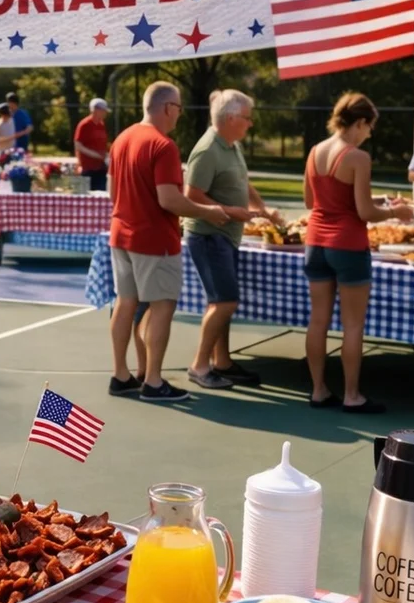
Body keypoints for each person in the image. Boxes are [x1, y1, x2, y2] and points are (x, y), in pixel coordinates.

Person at [107, 81, 229, 402]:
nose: (179, 114)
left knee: (125, 303)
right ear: (166, 108)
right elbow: (170, 200)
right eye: (178, 108)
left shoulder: (122, 139)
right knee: (162, 307)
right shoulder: (164, 146)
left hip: (121, 235)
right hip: (153, 240)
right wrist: (209, 211)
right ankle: (153, 381)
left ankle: (121, 375)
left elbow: (113, 192)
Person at [303, 93, 412, 414]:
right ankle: (352, 395)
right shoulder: (357, 157)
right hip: (348, 245)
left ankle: (319, 390)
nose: (370, 133)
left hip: (315, 244)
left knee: (318, 320)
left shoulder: (314, 152)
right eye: (369, 127)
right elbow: (364, 212)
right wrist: (397, 213)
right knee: (353, 325)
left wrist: (377, 202)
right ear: (360, 123)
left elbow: (313, 202)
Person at [183, 89, 278, 390]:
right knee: (224, 301)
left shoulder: (230, 144)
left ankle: (221, 362)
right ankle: (200, 365)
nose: (251, 124)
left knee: (221, 301)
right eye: (247, 118)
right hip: (209, 235)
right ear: (231, 118)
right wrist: (232, 211)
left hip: (225, 235)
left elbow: (243, 182)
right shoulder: (208, 149)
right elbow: (192, 195)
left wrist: (261, 209)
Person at [74, 98, 110, 190]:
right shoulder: (84, 125)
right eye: (103, 110)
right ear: (96, 110)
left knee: (101, 196)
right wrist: (95, 155)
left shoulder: (101, 125)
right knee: (85, 198)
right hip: (87, 168)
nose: (105, 113)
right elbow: (78, 145)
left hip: (101, 168)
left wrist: (106, 155)